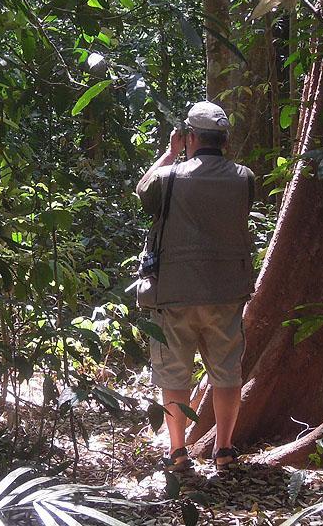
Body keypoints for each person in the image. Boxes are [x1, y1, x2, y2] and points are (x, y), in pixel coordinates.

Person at [135, 101, 255, 475]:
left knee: (174, 375)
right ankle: (224, 450)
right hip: (226, 293)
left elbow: (143, 193)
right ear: (224, 140)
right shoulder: (244, 177)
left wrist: (169, 155)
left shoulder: (169, 177)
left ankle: (178, 452)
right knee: (227, 373)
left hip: (175, 294)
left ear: (188, 136)